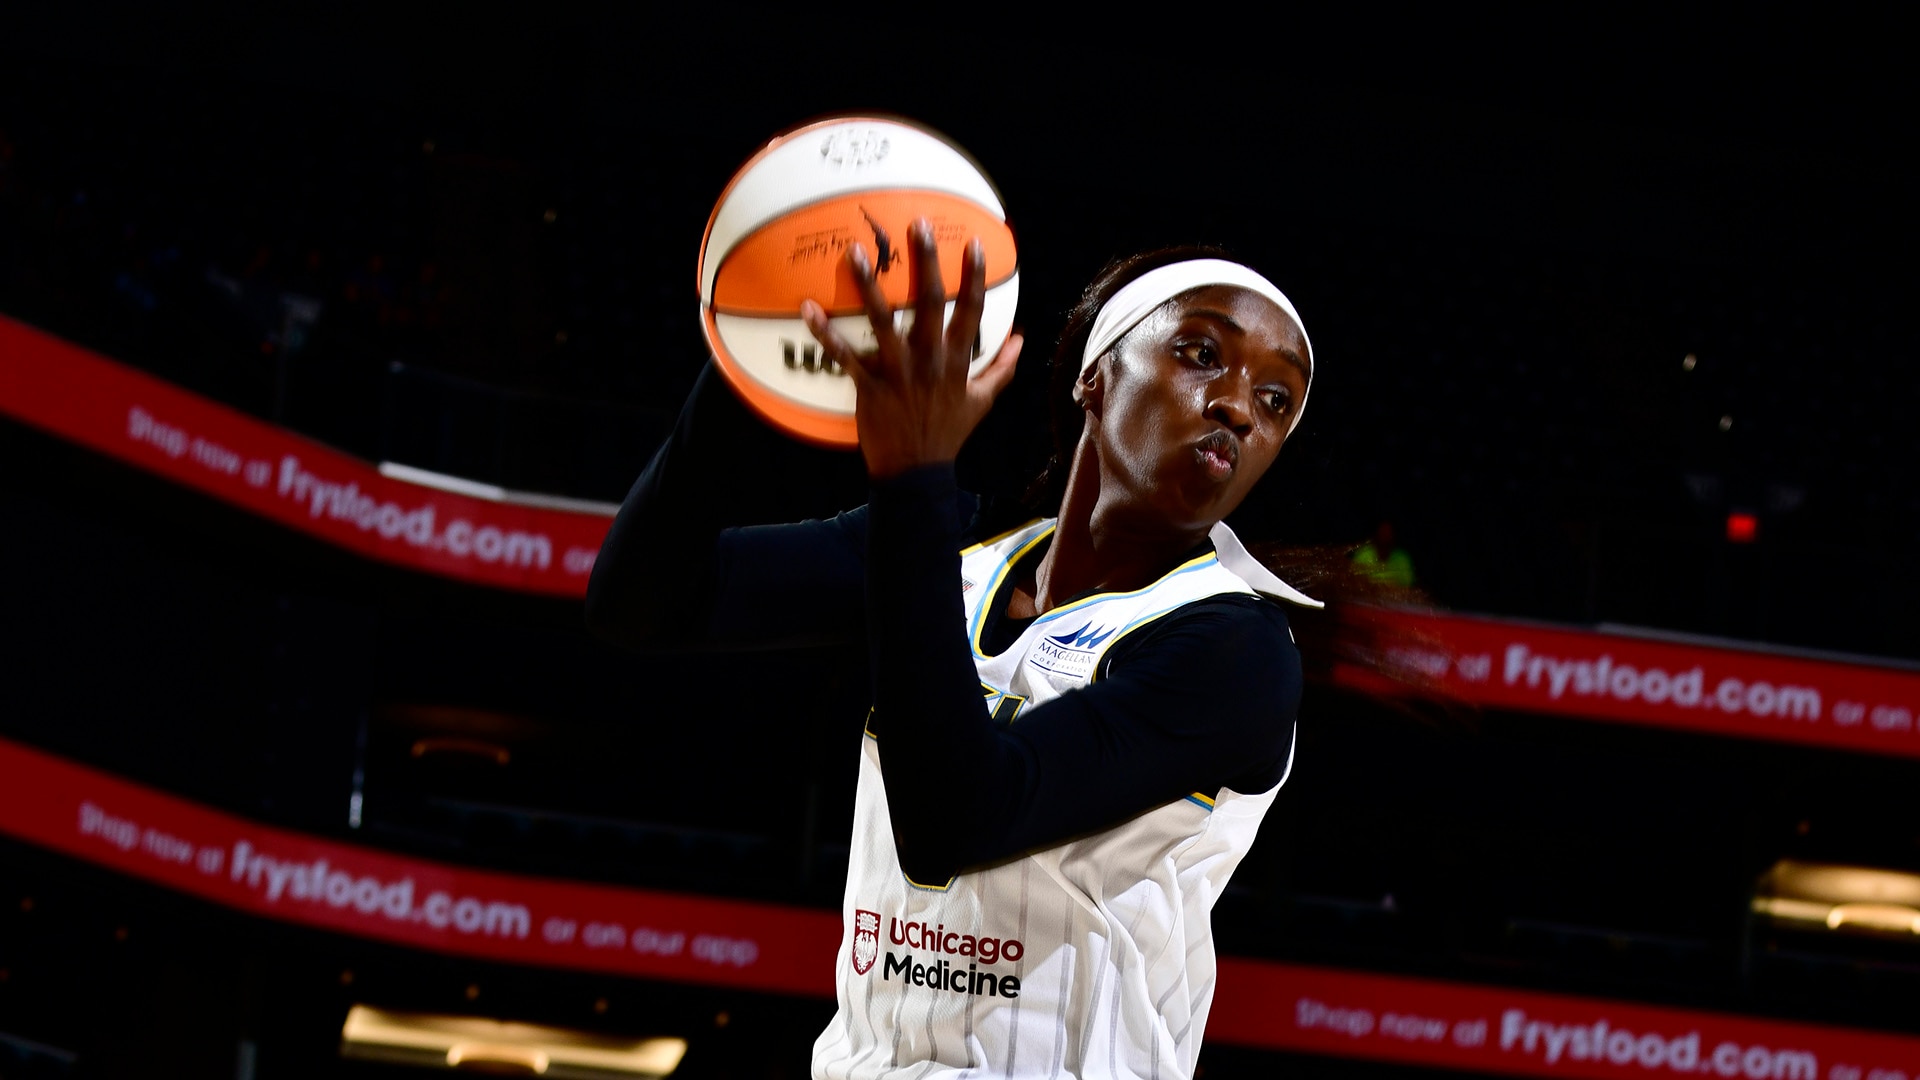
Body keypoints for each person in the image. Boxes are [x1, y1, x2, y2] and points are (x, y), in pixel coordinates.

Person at [586, 225, 1319, 1079]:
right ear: (1095, 374)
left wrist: (911, 479)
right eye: (1202, 353)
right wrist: (752, 353)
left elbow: (952, 820)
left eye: (1276, 402)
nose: (1237, 404)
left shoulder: (1238, 648)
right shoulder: (957, 549)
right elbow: (641, 604)